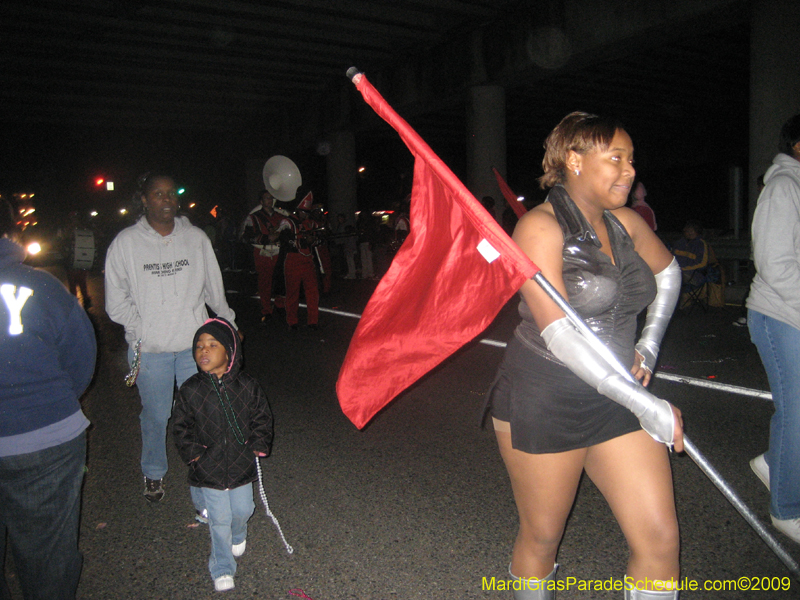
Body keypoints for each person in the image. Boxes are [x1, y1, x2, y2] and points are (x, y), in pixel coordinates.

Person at [484, 112, 683, 599]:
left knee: (660, 539)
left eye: (631, 159)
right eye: (616, 157)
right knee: (542, 536)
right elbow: (561, 334)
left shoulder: (628, 224)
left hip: (617, 395)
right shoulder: (538, 227)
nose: (629, 169)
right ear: (573, 160)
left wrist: (648, 345)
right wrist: (645, 403)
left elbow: (670, 273)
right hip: (545, 397)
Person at [105, 171, 239, 503]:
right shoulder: (126, 243)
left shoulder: (195, 239)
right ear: (144, 199)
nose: (166, 199)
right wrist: (140, 327)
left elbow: (214, 289)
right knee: (156, 414)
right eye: (158, 194)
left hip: (197, 347)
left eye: (171, 194)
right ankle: (153, 472)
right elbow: (115, 301)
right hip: (151, 350)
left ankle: (205, 478)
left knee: (202, 413)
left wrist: (229, 325)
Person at [0, 199, 97, 600]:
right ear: (11, 233)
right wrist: (50, 406)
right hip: (46, 439)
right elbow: (80, 359)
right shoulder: (40, 285)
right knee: (47, 558)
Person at [173, 318, 273, 592]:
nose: (203, 351)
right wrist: (194, 454)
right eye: (199, 346)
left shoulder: (247, 386)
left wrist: (258, 442)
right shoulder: (191, 389)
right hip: (208, 467)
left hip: (240, 463)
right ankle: (221, 567)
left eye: (212, 345)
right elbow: (180, 426)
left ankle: (239, 533)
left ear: (230, 352)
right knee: (219, 520)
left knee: (243, 509)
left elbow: (262, 417)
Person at [746, 113, 800, 545]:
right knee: (797, 412)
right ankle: (787, 509)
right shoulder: (784, 185)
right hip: (780, 315)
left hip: (792, 313)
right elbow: (775, 263)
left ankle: (771, 462)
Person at [277, 193, 321, 330]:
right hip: (293, 261)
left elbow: (320, 239)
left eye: (307, 213)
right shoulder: (287, 222)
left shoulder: (311, 223)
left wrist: (314, 240)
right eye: (303, 212)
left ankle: (313, 321)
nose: (306, 215)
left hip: (308, 261)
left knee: (313, 292)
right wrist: (302, 241)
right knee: (292, 293)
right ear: (298, 210)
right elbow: (284, 241)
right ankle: (292, 321)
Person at [242, 190, 287, 323]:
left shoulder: (280, 216)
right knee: (264, 282)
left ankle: (279, 305)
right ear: (261, 201)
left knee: (280, 279)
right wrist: (267, 238)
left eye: (272, 198)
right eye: (267, 198)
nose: (270, 200)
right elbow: (247, 236)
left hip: (278, 251)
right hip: (262, 253)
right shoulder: (253, 217)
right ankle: (266, 309)